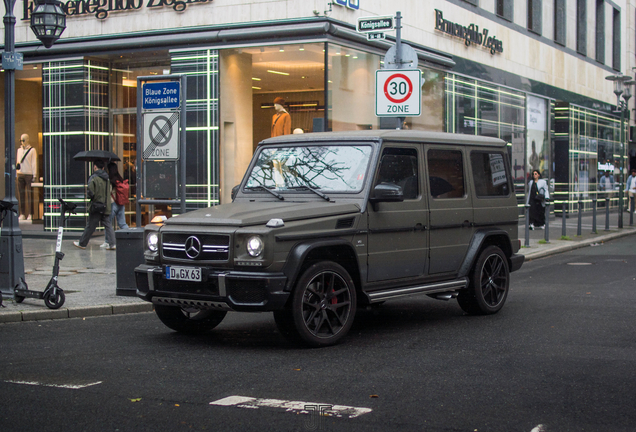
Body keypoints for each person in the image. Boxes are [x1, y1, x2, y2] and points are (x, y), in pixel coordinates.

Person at [74, 160, 116, 250]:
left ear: (95, 167)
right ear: (103, 168)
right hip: (106, 206)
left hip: (96, 205)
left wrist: (92, 198)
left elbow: (90, 191)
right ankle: (113, 243)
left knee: (90, 226)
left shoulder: (94, 177)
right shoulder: (107, 178)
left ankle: (82, 243)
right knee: (108, 225)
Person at [101, 162, 129, 248]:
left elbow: (108, 192)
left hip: (113, 203)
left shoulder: (110, 180)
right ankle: (129, 237)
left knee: (108, 223)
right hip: (121, 203)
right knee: (122, 223)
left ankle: (107, 241)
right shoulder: (120, 179)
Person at [16, 134, 37, 221]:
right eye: (21, 140)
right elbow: (18, 162)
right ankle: (22, 213)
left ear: (27, 140)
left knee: (29, 195)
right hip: (20, 173)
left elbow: (34, 163)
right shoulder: (19, 150)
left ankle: (31, 213)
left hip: (29, 174)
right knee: (21, 195)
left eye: (23, 140)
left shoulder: (32, 150)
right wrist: (16, 173)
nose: (22, 142)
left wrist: (34, 174)